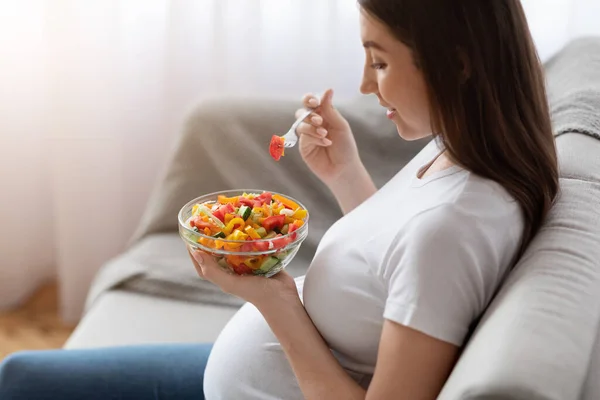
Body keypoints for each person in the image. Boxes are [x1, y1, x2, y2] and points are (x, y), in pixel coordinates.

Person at [0, 0, 558, 399]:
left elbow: (425, 253)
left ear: (459, 63)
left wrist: (276, 304)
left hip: (281, 368)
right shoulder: (455, 151)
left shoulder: (457, 227)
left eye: (381, 62)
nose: (365, 85)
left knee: (22, 383)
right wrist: (343, 172)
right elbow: (389, 257)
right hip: (258, 368)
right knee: (20, 374)